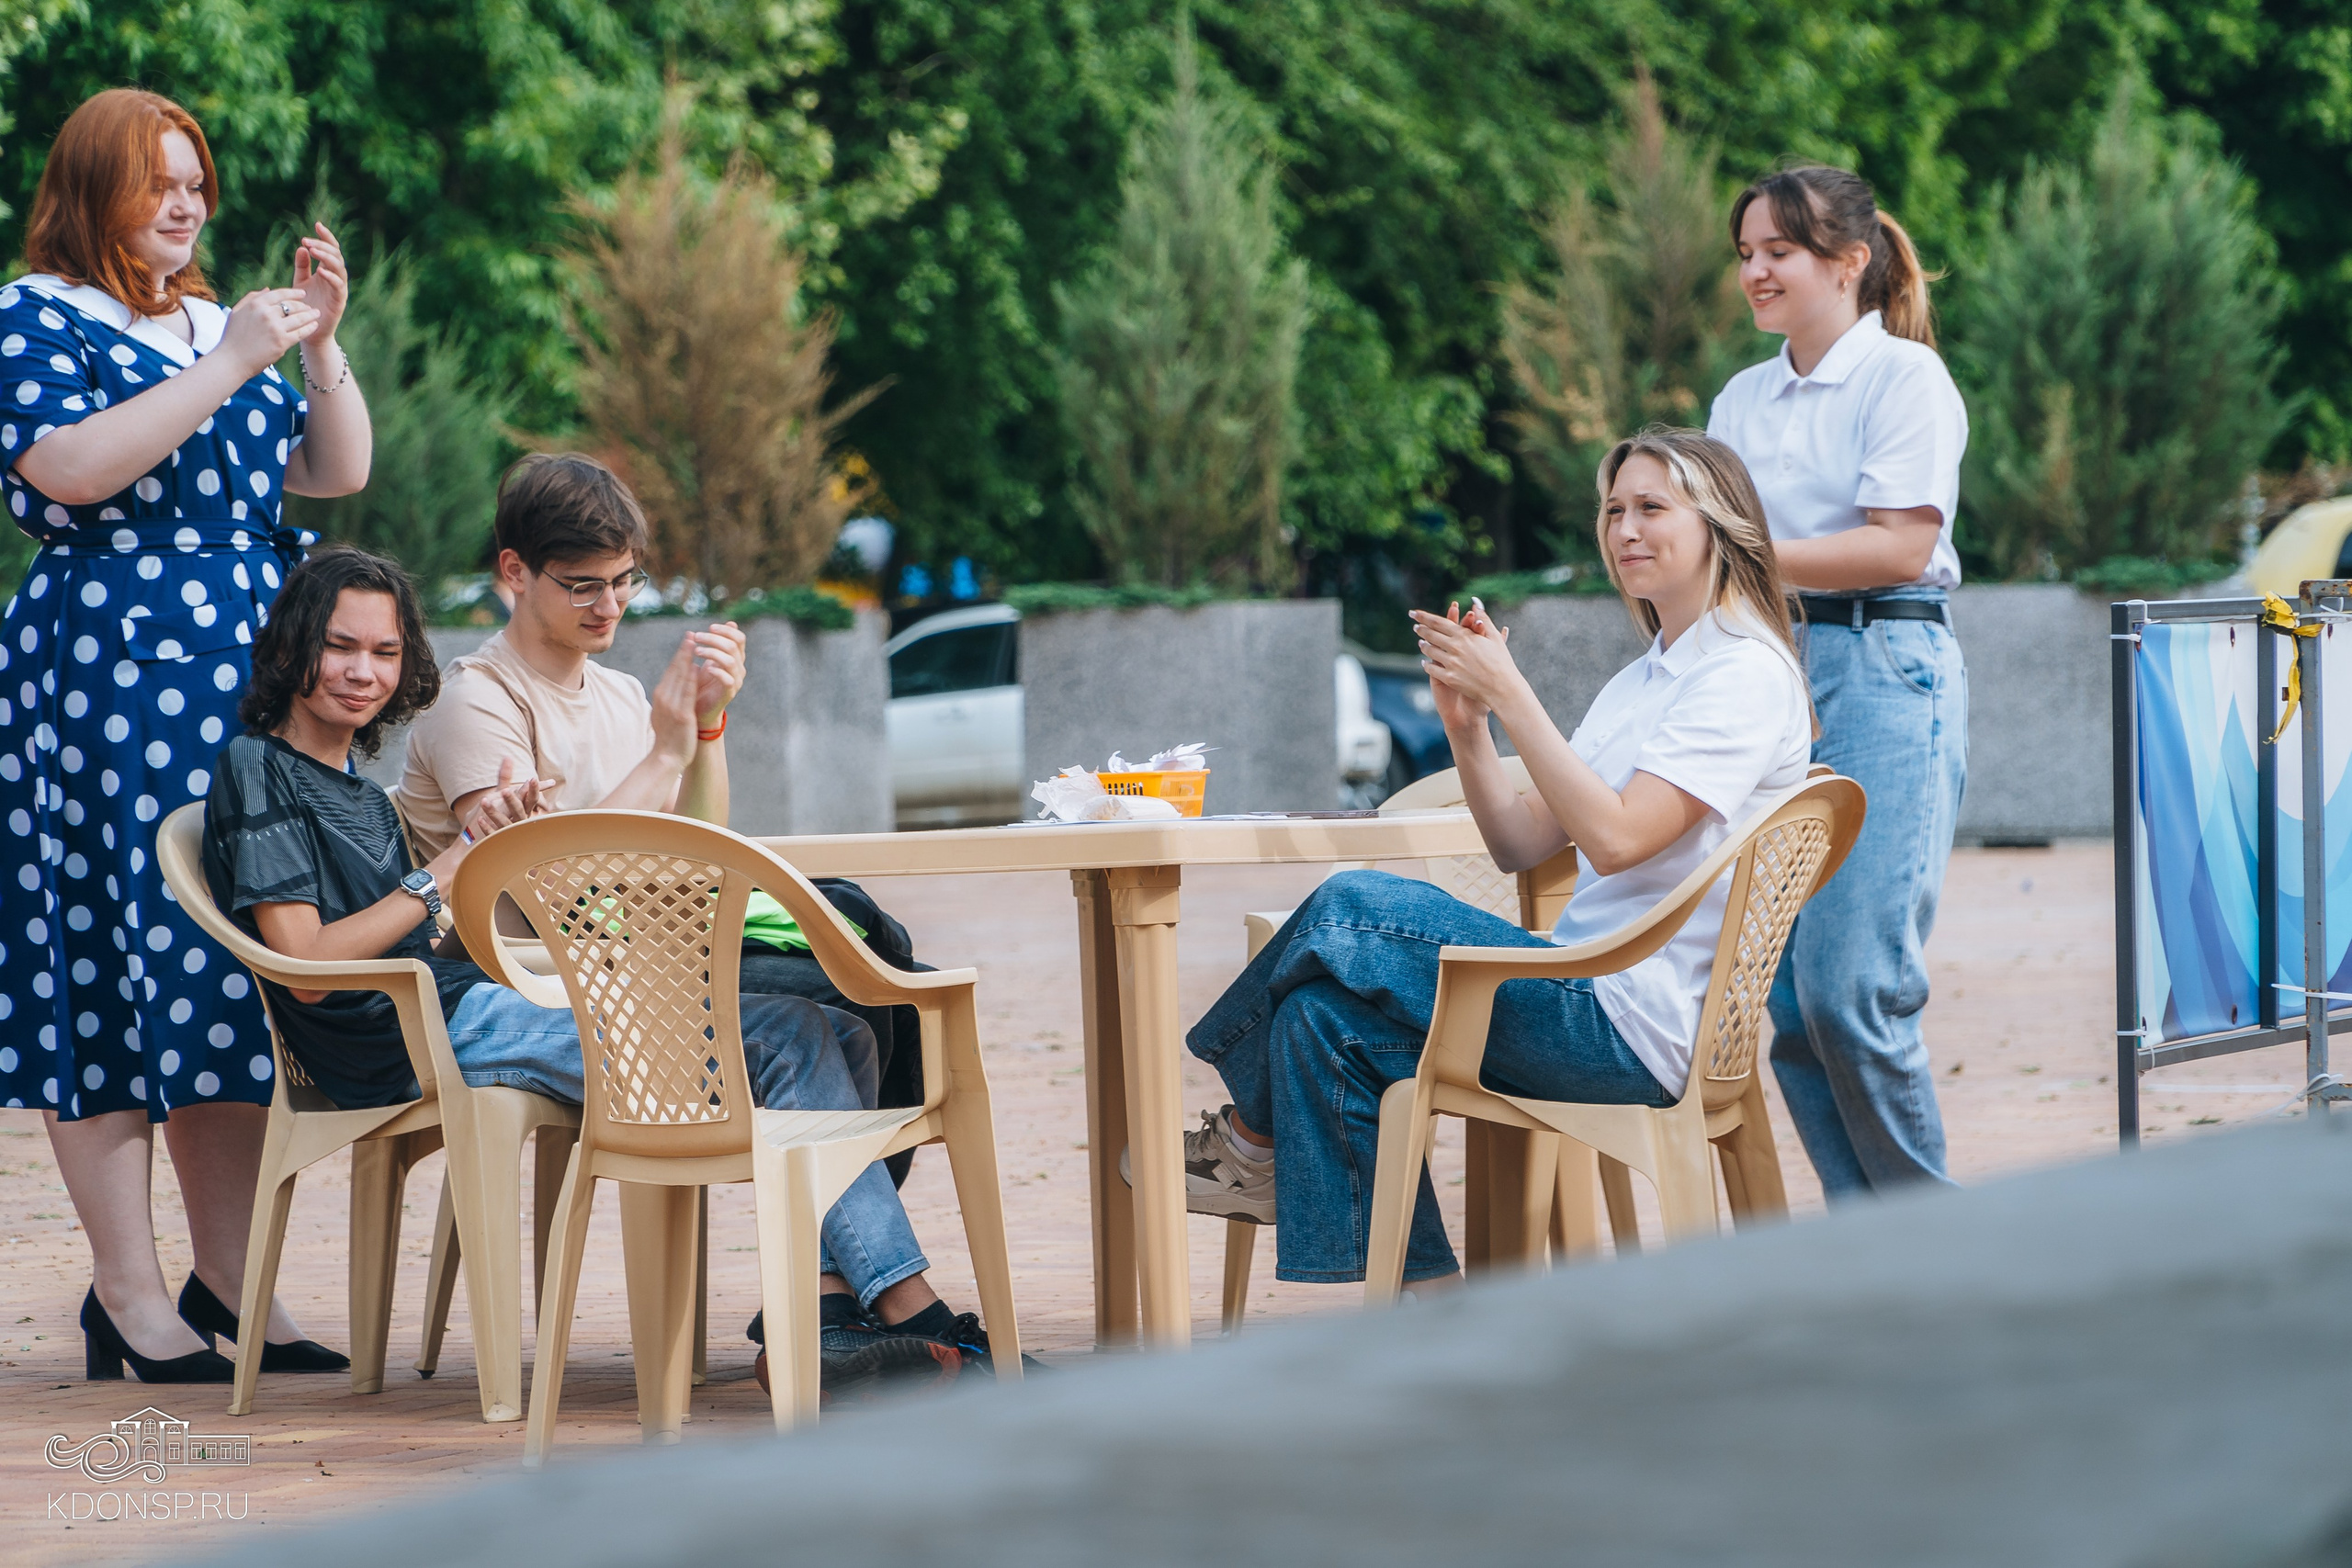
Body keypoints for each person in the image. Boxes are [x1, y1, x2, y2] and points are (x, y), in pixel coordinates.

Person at [230, 548, 999, 1393]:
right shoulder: (257, 767)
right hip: (409, 1034)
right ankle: (914, 1314)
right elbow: (304, 968)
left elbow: (428, 931)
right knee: (792, 1031)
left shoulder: (360, 792)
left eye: (383, 653)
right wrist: (444, 869)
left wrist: (502, 851)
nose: (364, 672)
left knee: (843, 1026)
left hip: (464, 999)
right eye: (342, 647)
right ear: (294, 644)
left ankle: (825, 1312)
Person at [1143, 428, 1812, 1289]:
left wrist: (1514, 691)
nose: (1625, 530)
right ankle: (1432, 1304)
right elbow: (1520, 840)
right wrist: (1470, 727)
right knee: (1317, 1022)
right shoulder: (1649, 677)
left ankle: (1245, 1137)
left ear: (1720, 524)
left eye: (1652, 507)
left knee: (1349, 908)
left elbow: (1615, 837)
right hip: (1580, 991)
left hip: (1627, 1017)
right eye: (1613, 510)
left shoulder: (1740, 675)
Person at [0, 88, 372, 1382]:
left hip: (241, 677)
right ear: (92, 189)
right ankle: (131, 1292)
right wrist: (228, 366)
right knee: (107, 958)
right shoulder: (35, 311)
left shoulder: (226, 323)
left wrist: (319, 341)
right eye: (157, 181)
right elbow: (69, 468)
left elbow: (334, 470)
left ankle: (231, 1283)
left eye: (196, 182)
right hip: (105, 673)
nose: (185, 202)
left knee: (230, 967)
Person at [392, 454, 931, 1162]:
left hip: (641, 953)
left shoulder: (616, 693)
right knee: (865, 980)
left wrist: (707, 729)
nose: (609, 606)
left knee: (886, 985)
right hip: (538, 982)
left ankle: (841, 1270)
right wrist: (666, 753)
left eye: (623, 581)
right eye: (582, 585)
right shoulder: (478, 699)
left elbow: (693, 849)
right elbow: (543, 886)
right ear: (515, 571)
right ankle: (861, 1268)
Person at [1705, 164, 1969, 1197]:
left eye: (1779, 251)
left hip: (1883, 667)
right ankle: (1874, 1258)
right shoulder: (1741, 395)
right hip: (1770, 674)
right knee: (1791, 1004)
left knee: (1855, 988)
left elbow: (1900, 549)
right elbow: (1706, 555)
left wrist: (1734, 549)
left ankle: (1932, 1249)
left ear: (1849, 262)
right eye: (1745, 255)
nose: (1755, 272)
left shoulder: (1905, 380)